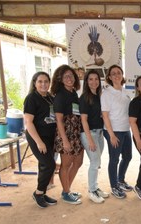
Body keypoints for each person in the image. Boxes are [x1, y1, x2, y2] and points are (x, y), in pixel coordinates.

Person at [24, 72, 58, 208]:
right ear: (34, 83)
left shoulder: (49, 97)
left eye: (46, 81)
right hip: (37, 137)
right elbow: (29, 122)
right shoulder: (32, 98)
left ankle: (42, 193)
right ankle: (38, 193)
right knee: (50, 165)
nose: (43, 84)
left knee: (43, 165)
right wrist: (39, 142)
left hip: (49, 136)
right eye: (40, 81)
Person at [51, 64, 84, 205]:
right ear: (60, 79)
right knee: (66, 164)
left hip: (76, 132)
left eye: (71, 76)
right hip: (65, 133)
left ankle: (67, 189)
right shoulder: (60, 96)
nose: (69, 78)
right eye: (66, 76)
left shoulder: (74, 94)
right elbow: (58, 120)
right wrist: (65, 140)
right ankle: (66, 193)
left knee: (78, 162)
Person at [101, 64, 133, 199]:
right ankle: (114, 186)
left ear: (122, 75)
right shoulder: (107, 93)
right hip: (113, 131)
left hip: (126, 130)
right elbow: (105, 115)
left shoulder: (126, 92)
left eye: (118, 72)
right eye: (113, 73)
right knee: (114, 159)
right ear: (109, 77)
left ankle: (120, 180)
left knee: (128, 156)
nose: (116, 75)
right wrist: (111, 135)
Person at [79, 69, 109, 204]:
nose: (94, 82)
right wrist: (90, 140)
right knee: (95, 162)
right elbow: (83, 120)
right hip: (89, 134)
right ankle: (91, 191)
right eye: (90, 79)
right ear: (86, 81)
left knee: (96, 162)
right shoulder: (84, 97)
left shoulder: (99, 95)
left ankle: (95, 188)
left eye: (96, 79)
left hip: (99, 133)